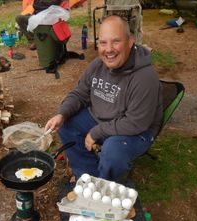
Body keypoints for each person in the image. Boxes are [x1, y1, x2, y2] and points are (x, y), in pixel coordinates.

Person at [45, 15, 163, 182]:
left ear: (130, 41)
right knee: (66, 124)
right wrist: (62, 114)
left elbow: (136, 123)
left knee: (113, 151)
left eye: (116, 41)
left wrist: (97, 132)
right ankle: (88, 177)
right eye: (103, 42)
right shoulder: (97, 65)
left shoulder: (145, 77)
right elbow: (80, 94)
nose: (108, 49)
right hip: (102, 119)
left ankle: (106, 186)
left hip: (137, 131)